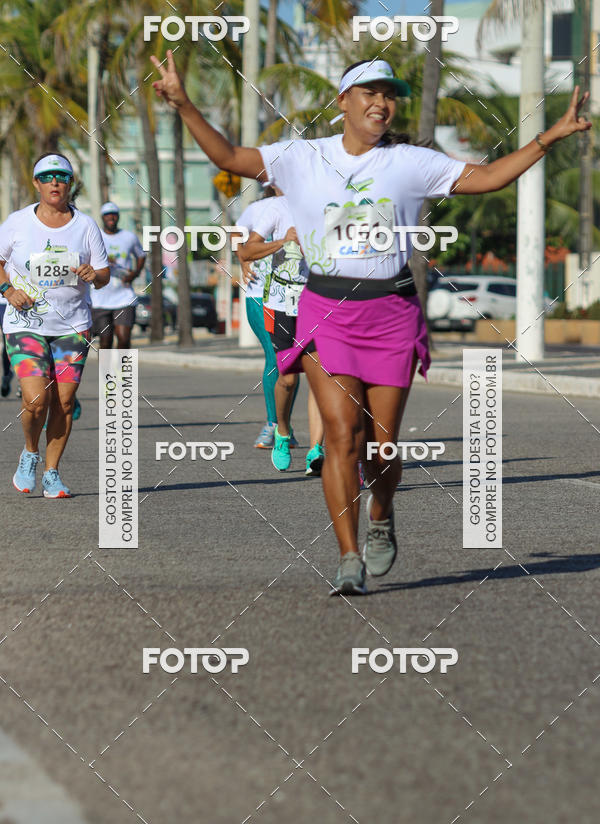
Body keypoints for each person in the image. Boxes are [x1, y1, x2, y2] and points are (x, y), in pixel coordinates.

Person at [151, 50, 591, 594]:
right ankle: (348, 557)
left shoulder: (410, 162)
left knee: (382, 447)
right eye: (370, 93)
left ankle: (381, 513)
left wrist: (549, 137)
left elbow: (491, 177)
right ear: (343, 101)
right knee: (341, 435)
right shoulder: (302, 157)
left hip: (391, 313)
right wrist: (183, 104)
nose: (381, 103)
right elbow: (228, 156)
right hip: (326, 310)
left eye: (389, 95)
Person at [0, 152, 109, 497]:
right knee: (36, 399)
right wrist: (8, 290)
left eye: (61, 176)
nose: (54, 182)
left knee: (63, 401)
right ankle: (30, 452)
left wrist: (94, 275)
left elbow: (104, 273)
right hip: (25, 323)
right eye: (47, 177)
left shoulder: (85, 226)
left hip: (72, 325)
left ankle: (51, 472)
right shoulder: (17, 222)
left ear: (70, 183)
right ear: (36, 183)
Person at [241, 194, 325, 475]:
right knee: (287, 378)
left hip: (317, 299)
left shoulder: (329, 203)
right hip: (281, 301)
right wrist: (283, 241)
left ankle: (316, 450)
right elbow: (247, 251)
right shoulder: (278, 207)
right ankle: (282, 431)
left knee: (319, 376)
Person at [235, 189, 280, 449]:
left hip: (292, 297)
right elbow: (236, 234)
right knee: (275, 356)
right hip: (259, 296)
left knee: (288, 362)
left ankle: (284, 426)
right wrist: (242, 260)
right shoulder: (256, 209)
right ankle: (272, 423)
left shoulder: (302, 204)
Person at [91, 201, 146, 350]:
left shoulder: (129, 237)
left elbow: (141, 255)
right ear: (102, 217)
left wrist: (135, 274)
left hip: (124, 297)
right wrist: (103, 260)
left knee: (124, 338)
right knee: (105, 341)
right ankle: (108, 367)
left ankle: (124, 367)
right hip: (100, 298)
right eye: (107, 215)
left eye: (114, 215)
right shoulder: (95, 235)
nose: (111, 218)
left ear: (118, 217)